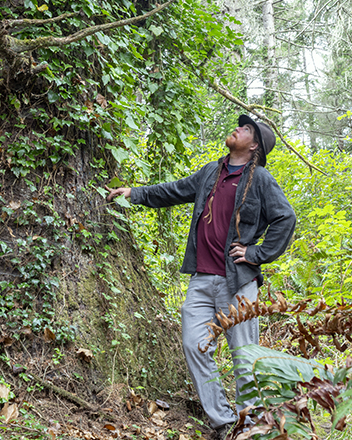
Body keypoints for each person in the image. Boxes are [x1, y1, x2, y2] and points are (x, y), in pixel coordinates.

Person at [106, 115, 297, 440]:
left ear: (253, 146)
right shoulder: (212, 171)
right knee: (195, 346)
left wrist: (255, 254)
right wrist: (134, 193)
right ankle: (223, 421)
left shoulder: (261, 180)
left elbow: (285, 218)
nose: (238, 129)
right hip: (201, 280)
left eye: (246, 129)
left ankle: (248, 428)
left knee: (244, 356)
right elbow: (174, 190)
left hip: (238, 283)